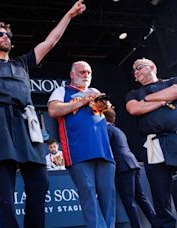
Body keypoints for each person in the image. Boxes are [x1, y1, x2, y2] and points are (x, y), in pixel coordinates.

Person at [0, 1, 86, 227]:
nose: (6, 37)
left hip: (27, 122)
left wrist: (69, 15)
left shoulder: (22, 63)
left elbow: (50, 42)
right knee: (5, 189)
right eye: (0, 34)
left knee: (40, 184)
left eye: (8, 35)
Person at [47, 61, 116, 228]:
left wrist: (105, 107)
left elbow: (112, 117)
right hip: (78, 152)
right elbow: (53, 111)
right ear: (72, 74)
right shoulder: (62, 91)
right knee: (89, 197)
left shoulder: (96, 92)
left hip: (104, 151)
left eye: (89, 73)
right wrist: (82, 101)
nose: (86, 75)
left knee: (109, 196)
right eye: (82, 72)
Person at [125, 58, 177, 228]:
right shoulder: (134, 94)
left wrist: (148, 100)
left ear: (152, 67)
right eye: (134, 70)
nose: (136, 72)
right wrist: (162, 101)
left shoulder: (173, 81)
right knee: (160, 196)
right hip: (155, 145)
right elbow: (134, 108)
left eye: (138, 67)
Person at [104, 108, 156, 228]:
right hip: (132, 164)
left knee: (129, 201)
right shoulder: (117, 130)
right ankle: (155, 222)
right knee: (140, 196)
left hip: (123, 167)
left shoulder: (106, 130)